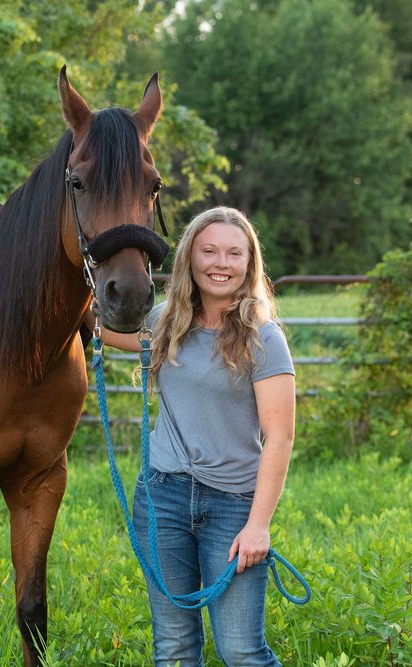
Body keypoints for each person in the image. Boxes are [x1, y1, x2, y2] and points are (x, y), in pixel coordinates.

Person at [93, 206, 295, 666]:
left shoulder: (263, 338)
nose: (220, 263)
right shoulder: (167, 321)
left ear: (249, 264)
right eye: (209, 251)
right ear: (189, 257)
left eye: (233, 253)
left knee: (242, 650)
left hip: (232, 505)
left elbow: (280, 438)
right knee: (175, 648)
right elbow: (110, 330)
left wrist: (258, 525)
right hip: (162, 498)